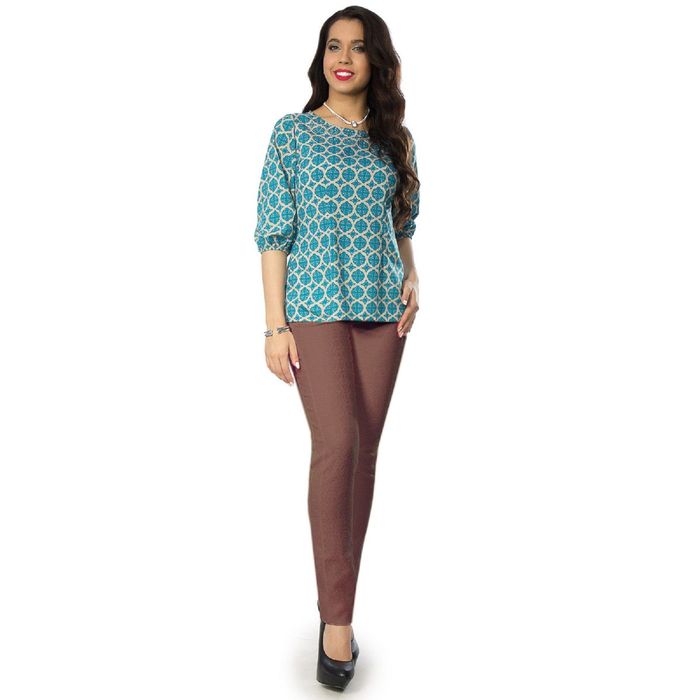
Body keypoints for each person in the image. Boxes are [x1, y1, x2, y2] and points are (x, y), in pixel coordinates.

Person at [253, 6, 420, 690]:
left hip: (382, 308)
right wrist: (274, 325)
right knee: (337, 444)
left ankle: (339, 603)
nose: (343, 58)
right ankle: (339, 621)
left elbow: (403, 221)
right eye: (332, 46)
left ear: (377, 60)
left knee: (365, 454)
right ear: (321, 57)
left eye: (356, 47)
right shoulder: (292, 133)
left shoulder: (394, 140)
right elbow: (272, 232)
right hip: (314, 306)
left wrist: (413, 274)